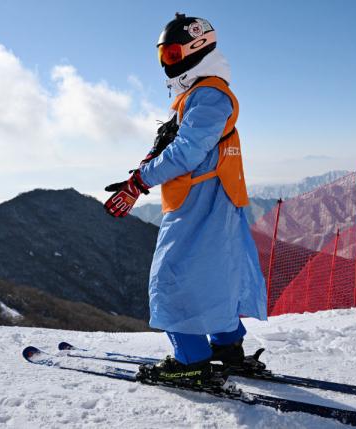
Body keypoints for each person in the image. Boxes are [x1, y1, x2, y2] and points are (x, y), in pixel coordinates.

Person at [104, 13, 267, 386]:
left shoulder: (209, 94)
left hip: (202, 202)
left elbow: (187, 152)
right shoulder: (198, 94)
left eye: (174, 54)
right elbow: (177, 142)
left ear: (198, 48)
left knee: (172, 279)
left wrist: (139, 182)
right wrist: (148, 161)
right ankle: (227, 348)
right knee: (214, 277)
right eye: (163, 53)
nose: (167, 62)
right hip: (208, 199)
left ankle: (191, 360)